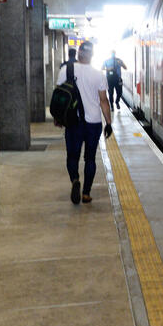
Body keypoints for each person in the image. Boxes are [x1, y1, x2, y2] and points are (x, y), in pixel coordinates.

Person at [56, 41, 112, 204]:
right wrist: (108, 123)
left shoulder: (66, 70)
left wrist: (59, 118)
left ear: (78, 53)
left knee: (72, 157)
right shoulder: (98, 74)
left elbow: (60, 95)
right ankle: (86, 193)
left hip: (73, 121)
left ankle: (75, 179)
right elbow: (104, 101)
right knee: (90, 159)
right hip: (93, 123)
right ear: (92, 55)